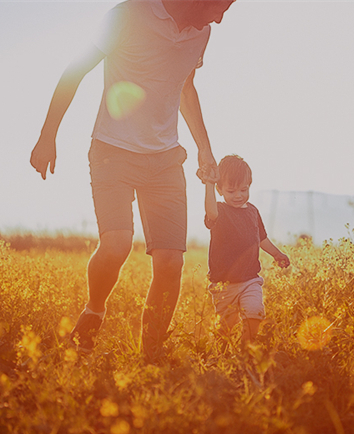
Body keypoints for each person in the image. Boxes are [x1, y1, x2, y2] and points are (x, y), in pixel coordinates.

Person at [30, 0, 235, 362]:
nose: (220, 17)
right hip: (113, 151)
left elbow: (186, 88)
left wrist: (205, 148)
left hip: (165, 159)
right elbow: (75, 70)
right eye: (220, 6)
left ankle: (151, 357)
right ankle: (94, 309)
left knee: (171, 263)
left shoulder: (202, 34)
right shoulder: (128, 14)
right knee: (116, 247)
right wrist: (48, 135)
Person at [204, 155, 290, 351]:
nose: (238, 195)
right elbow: (210, 213)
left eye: (243, 190)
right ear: (220, 189)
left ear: (249, 186)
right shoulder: (219, 210)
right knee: (224, 329)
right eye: (231, 190)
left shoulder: (252, 211)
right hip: (224, 284)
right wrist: (209, 184)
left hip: (250, 279)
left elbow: (261, 239)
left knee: (254, 312)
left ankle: (245, 350)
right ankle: (220, 356)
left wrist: (277, 254)